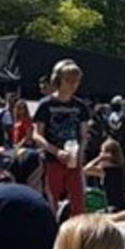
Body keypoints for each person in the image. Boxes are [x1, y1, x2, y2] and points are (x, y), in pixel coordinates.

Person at [32, 58, 90, 216]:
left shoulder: (80, 106)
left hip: (74, 161)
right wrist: (56, 151)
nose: (73, 84)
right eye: (68, 80)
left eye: (76, 81)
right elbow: (37, 134)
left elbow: (84, 135)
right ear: (58, 80)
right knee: (52, 202)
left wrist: (81, 153)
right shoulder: (45, 105)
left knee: (78, 202)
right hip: (52, 161)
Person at [83, 137, 125, 210]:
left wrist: (99, 158)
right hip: (122, 204)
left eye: (102, 151)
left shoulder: (106, 169)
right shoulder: (120, 167)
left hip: (112, 206)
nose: (100, 153)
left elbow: (85, 170)